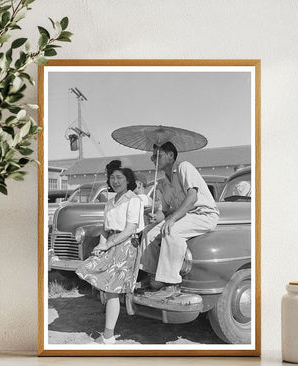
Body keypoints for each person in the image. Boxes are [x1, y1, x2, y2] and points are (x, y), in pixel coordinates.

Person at [75, 160, 144, 344]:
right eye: (112, 177)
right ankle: (109, 326)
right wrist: (100, 246)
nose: (115, 181)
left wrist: (108, 245)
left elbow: (130, 230)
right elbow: (106, 229)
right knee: (87, 268)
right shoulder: (110, 202)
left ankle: (108, 337)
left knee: (111, 290)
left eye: (119, 177)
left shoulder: (134, 200)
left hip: (127, 245)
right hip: (110, 244)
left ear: (128, 180)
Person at [140, 141, 219, 297]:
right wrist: (157, 217)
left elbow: (192, 197)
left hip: (203, 214)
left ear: (171, 155)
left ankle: (172, 284)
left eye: (158, 155)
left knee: (171, 231)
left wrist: (171, 219)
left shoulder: (184, 167)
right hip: (183, 216)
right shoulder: (162, 183)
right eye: (153, 157)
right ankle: (152, 277)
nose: (154, 159)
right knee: (149, 232)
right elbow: (164, 211)